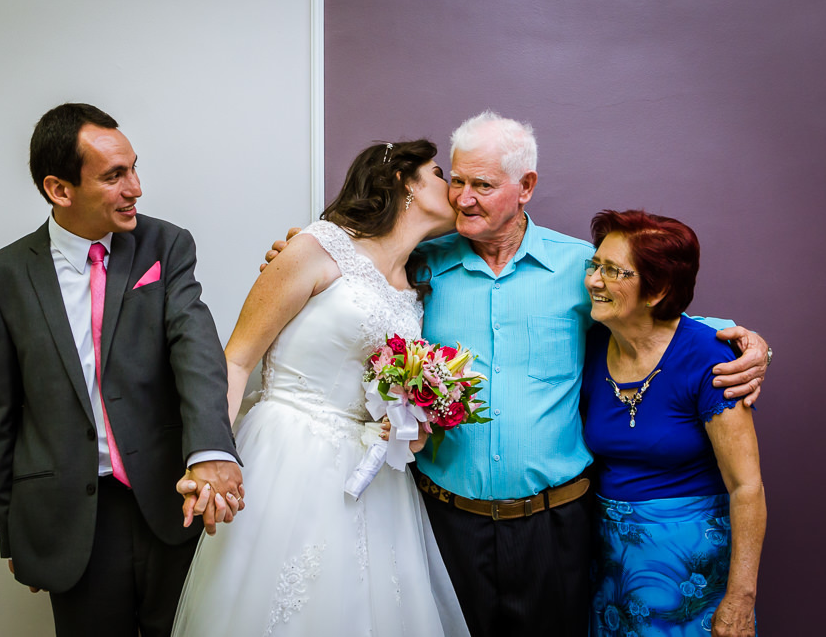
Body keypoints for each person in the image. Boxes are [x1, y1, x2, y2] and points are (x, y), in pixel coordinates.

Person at [262, 111, 769, 636]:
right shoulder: (419, 264)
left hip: (557, 524)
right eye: (456, 180)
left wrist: (745, 340)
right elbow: (352, 279)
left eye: (481, 185)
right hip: (444, 520)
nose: (462, 197)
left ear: (525, 186)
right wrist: (296, 254)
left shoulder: (580, 268)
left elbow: (651, 316)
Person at [0, 103, 243, 637]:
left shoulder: (167, 245)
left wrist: (210, 449)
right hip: (71, 521)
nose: (135, 187)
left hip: (170, 502)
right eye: (115, 176)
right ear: (59, 189)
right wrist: (12, 531)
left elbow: (197, 352)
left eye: (134, 168)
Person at [172, 140, 470, 636]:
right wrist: (208, 457)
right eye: (441, 174)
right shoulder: (317, 246)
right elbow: (238, 360)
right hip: (290, 453)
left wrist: (408, 423)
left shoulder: (413, 283)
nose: (455, 189)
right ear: (404, 181)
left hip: (375, 476)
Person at [581, 210, 764, 636]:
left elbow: (747, 487)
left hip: (692, 569)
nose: (593, 280)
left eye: (612, 271)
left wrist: (740, 596)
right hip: (614, 565)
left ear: (657, 289)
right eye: (595, 266)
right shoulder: (592, 345)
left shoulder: (709, 358)